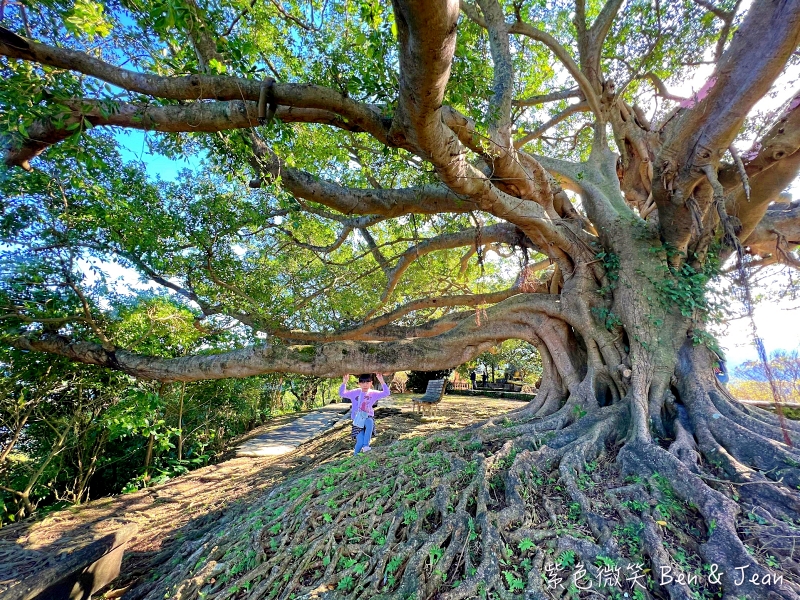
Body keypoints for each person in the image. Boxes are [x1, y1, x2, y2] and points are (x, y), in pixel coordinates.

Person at [339, 373, 389, 455]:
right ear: (359, 384)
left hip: (367, 417)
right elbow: (342, 393)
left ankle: (366, 446)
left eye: (367, 382)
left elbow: (386, 393)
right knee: (360, 442)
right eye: (362, 382)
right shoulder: (354, 392)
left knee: (369, 421)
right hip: (357, 420)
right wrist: (344, 382)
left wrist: (381, 380)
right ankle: (355, 456)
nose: (365, 385)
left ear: (371, 383)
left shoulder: (373, 393)